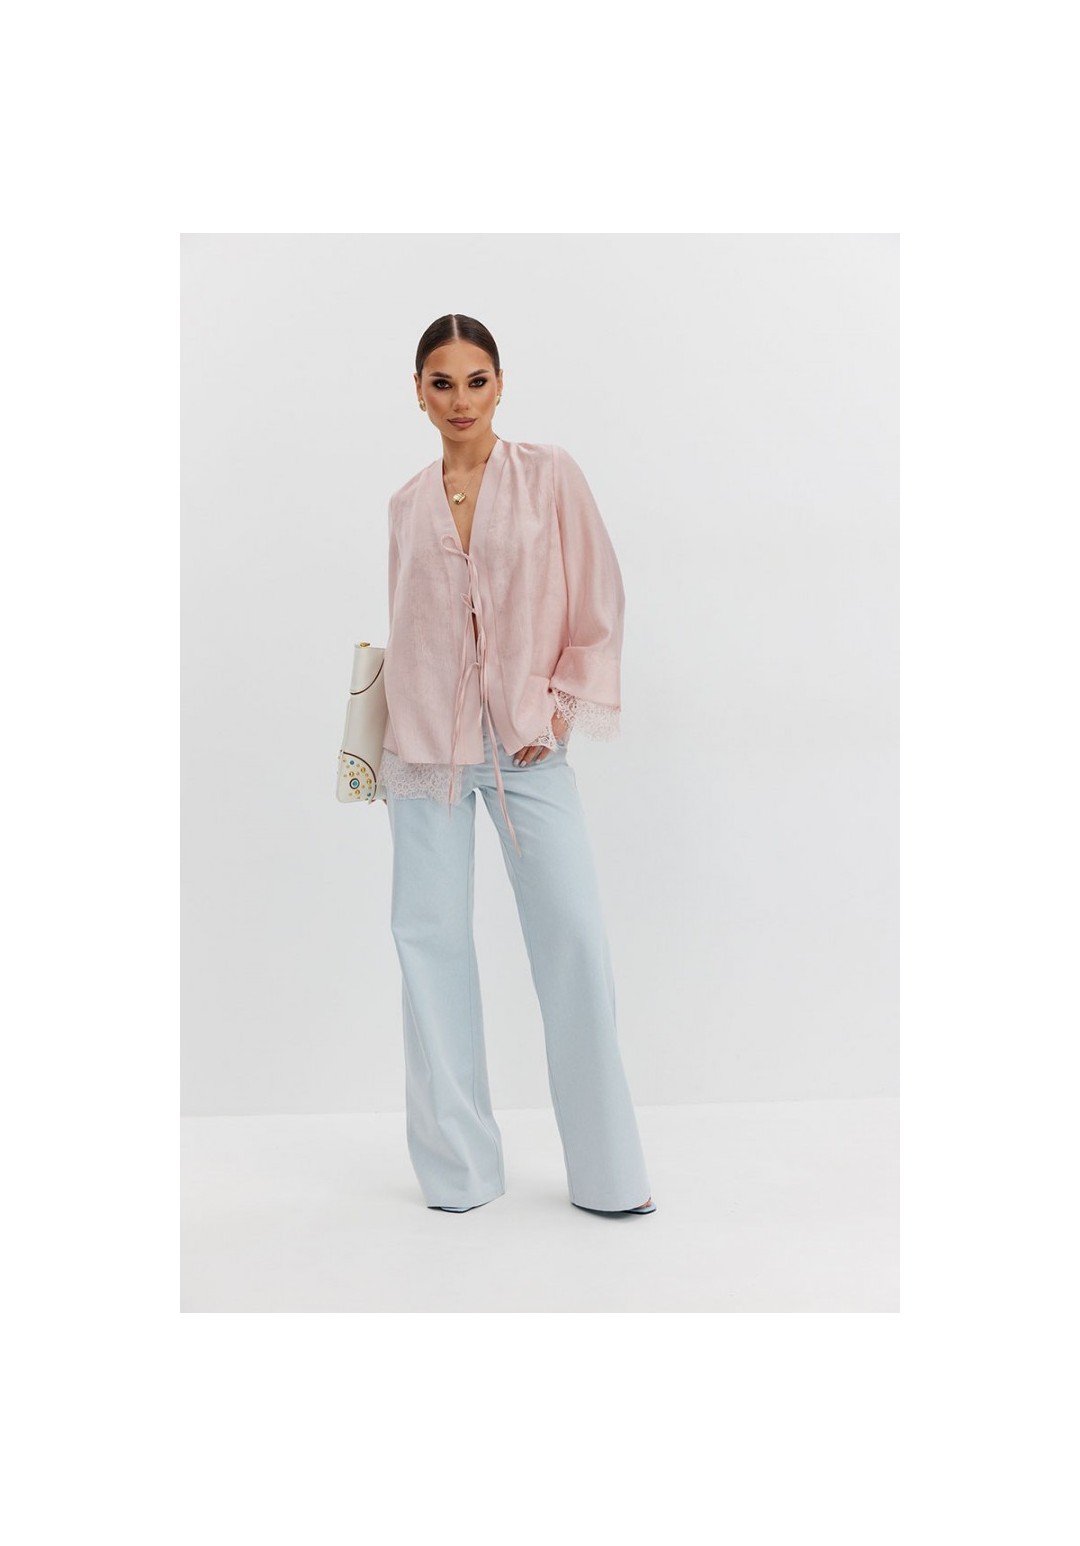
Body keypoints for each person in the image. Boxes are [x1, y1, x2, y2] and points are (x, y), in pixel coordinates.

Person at [378, 313, 655, 1217]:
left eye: (476, 380)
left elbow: (599, 595)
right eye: (442, 383)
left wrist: (560, 708)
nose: (460, 400)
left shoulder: (549, 475)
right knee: (429, 947)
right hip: (425, 750)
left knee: (572, 937)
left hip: (528, 749)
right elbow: (410, 626)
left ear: (500, 384)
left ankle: (610, 1178)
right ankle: (458, 1175)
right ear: (418, 392)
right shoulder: (405, 504)